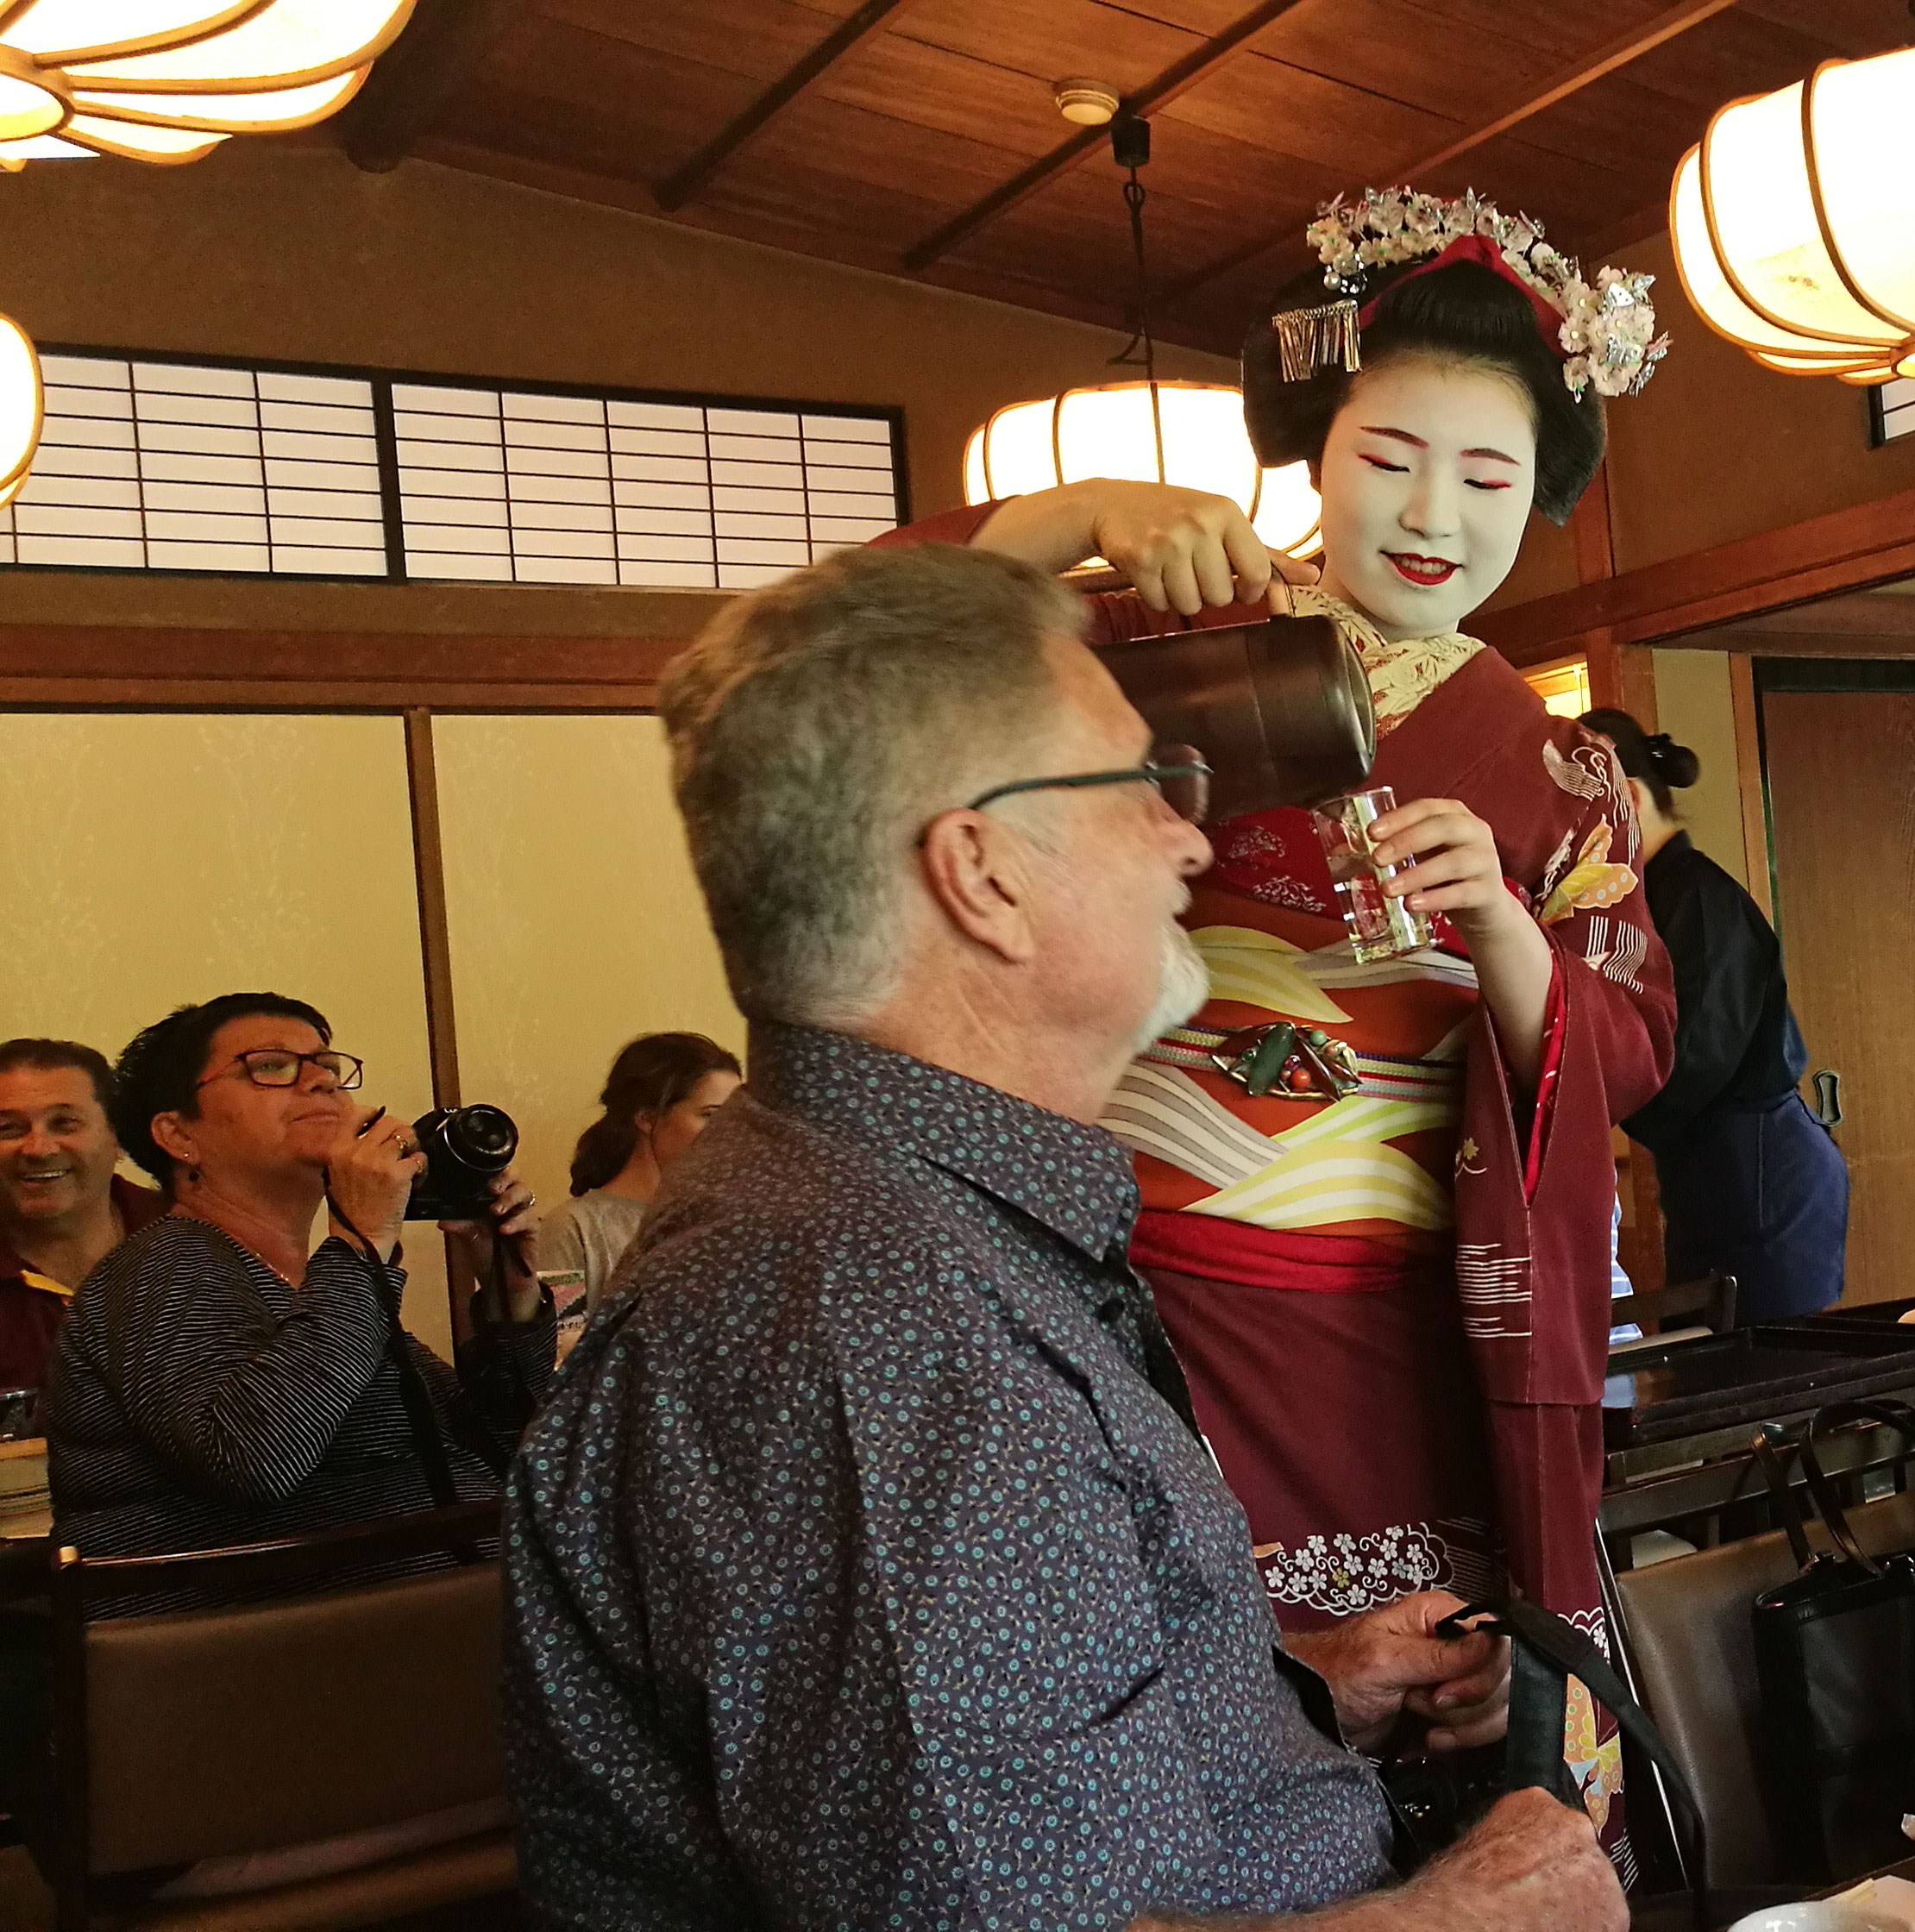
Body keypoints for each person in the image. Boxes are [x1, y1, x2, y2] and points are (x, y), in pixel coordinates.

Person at [501, 542, 1621, 1932]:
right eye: (1142, 785)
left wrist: (1285, 1686)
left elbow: (975, 1784)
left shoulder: (906, 1226)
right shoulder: (873, 1323)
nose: (1195, 838)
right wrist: (1469, 1917)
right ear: (981, 873)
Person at [874, 191, 1676, 1830]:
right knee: (1185, 1718)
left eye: (1487, 475)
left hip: (1430, 1313)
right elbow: (861, 647)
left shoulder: (1556, 769)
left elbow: (1631, 1041)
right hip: (1153, 1295)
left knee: (1449, 1718)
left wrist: (1509, 942)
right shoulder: (1169, 645)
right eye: (1389, 458)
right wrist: (1086, 511)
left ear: (1545, 501)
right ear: (1318, 451)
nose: (1432, 511)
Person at [47, 994, 549, 1575]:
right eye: (271, 1066)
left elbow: (509, 1450)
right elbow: (252, 1459)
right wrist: (361, 1243)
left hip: (428, 1624)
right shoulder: (161, 1268)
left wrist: (508, 1291)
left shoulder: (315, 1286)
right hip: (276, 1650)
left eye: (329, 1067)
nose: (320, 1083)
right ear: (178, 1133)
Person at [1582, 707, 1846, 1320]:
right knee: (1707, 1366)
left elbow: (1691, 1061)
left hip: (1758, 1168)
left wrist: (1585, 1106)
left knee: (1761, 1379)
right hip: (1712, 1165)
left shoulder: (1698, 900)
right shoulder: (1647, 897)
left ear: (1629, 797)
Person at [541, 1031, 742, 1351]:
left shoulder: (731, 1222)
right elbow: (558, 1361)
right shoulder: (573, 1229)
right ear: (647, 1117)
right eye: (711, 1116)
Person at [0, 1037, 166, 1395]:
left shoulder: (201, 1242)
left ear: (118, 1138)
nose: (38, 1149)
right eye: (8, 1129)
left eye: (64, 1123)